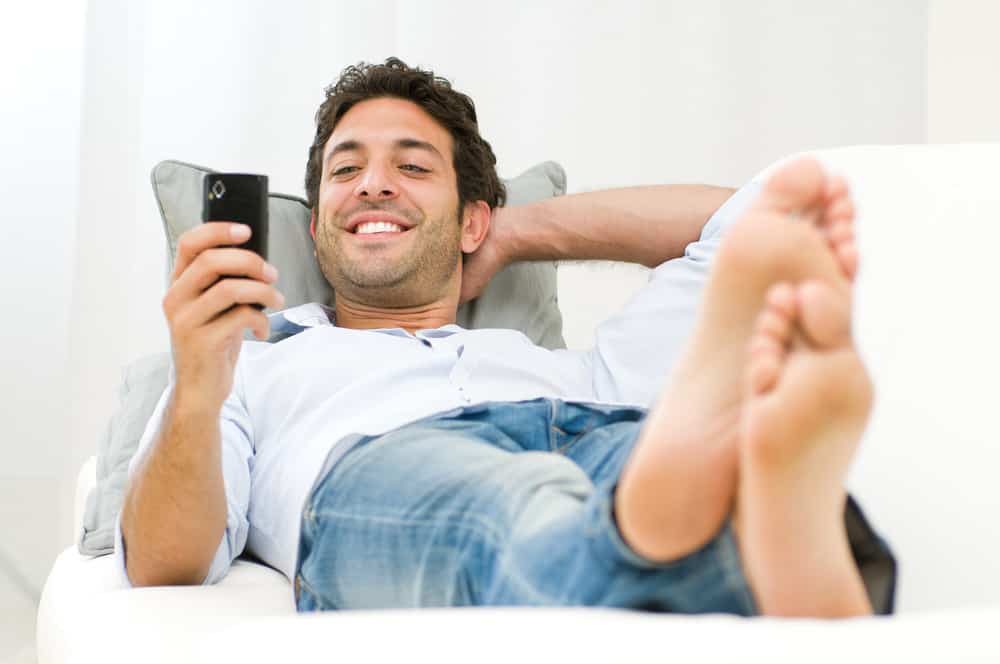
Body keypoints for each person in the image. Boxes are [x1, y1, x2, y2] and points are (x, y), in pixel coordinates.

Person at [117, 57, 893, 617]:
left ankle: (719, 517)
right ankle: (717, 531)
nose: (374, 184)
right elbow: (162, 563)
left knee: (625, 455)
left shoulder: (567, 369)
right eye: (344, 171)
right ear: (316, 230)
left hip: (594, 427)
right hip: (387, 462)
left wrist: (516, 232)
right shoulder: (244, 362)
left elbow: (766, 217)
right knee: (509, 508)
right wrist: (197, 386)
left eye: (413, 168)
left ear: (473, 220)